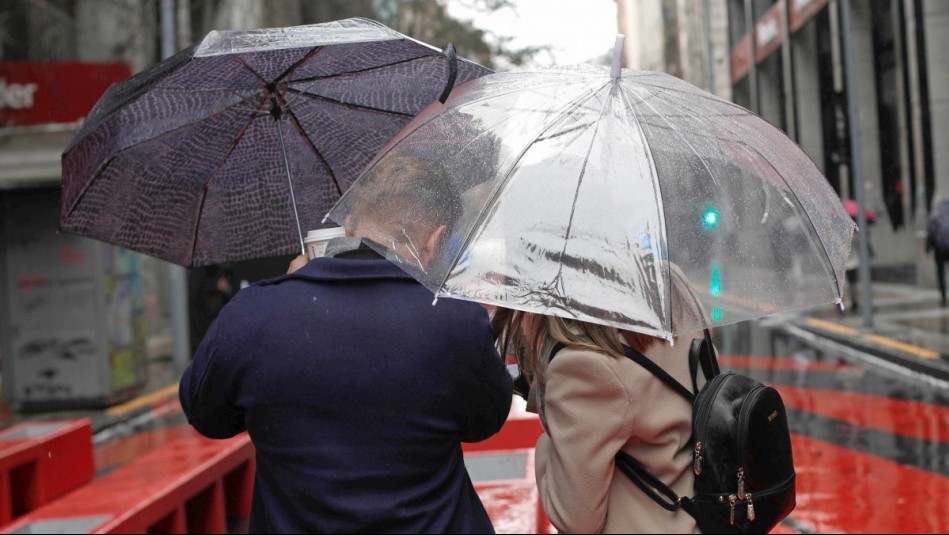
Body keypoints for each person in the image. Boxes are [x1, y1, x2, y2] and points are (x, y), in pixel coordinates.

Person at [179, 154, 513, 533]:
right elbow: (485, 421)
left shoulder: (251, 315)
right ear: (436, 240)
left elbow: (207, 416)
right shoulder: (456, 321)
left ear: (349, 227)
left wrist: (288, 289)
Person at [491, 265, 706, 534]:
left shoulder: (581, 364)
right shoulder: (669, 280)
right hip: (703, 513)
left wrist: (551, 441)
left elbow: (574, 520)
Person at [926, 197, 949, 307]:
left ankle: (943, 296)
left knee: (940, 273)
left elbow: (931, 233)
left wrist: (928, 248)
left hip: (939, 250)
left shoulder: (935, 215)